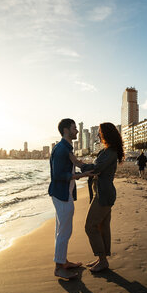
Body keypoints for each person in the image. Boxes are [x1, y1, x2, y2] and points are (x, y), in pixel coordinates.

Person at [48, 118, 93, 279]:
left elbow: (76, 162)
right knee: (64, 231)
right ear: (66, 130)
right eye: (75, 128)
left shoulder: (66, 147)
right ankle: (58, 268)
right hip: (61, 194)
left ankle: (62, 261)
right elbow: (59, 175)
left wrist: (91, 168)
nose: (77, 131)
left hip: (63, 193)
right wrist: (83, 175)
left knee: (62, 230)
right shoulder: (61, 149)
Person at [81, 122, 124, 273]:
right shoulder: (107, 151)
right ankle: (102, 259)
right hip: (103, 192)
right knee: (102, 226)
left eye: (100, 132)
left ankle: (103, 260)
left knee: (90, 226)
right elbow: (96, 168)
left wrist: (78, 164)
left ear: (106, 134)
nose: (98, 135)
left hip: (104, 194)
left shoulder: (110, 152)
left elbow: (96, 168)